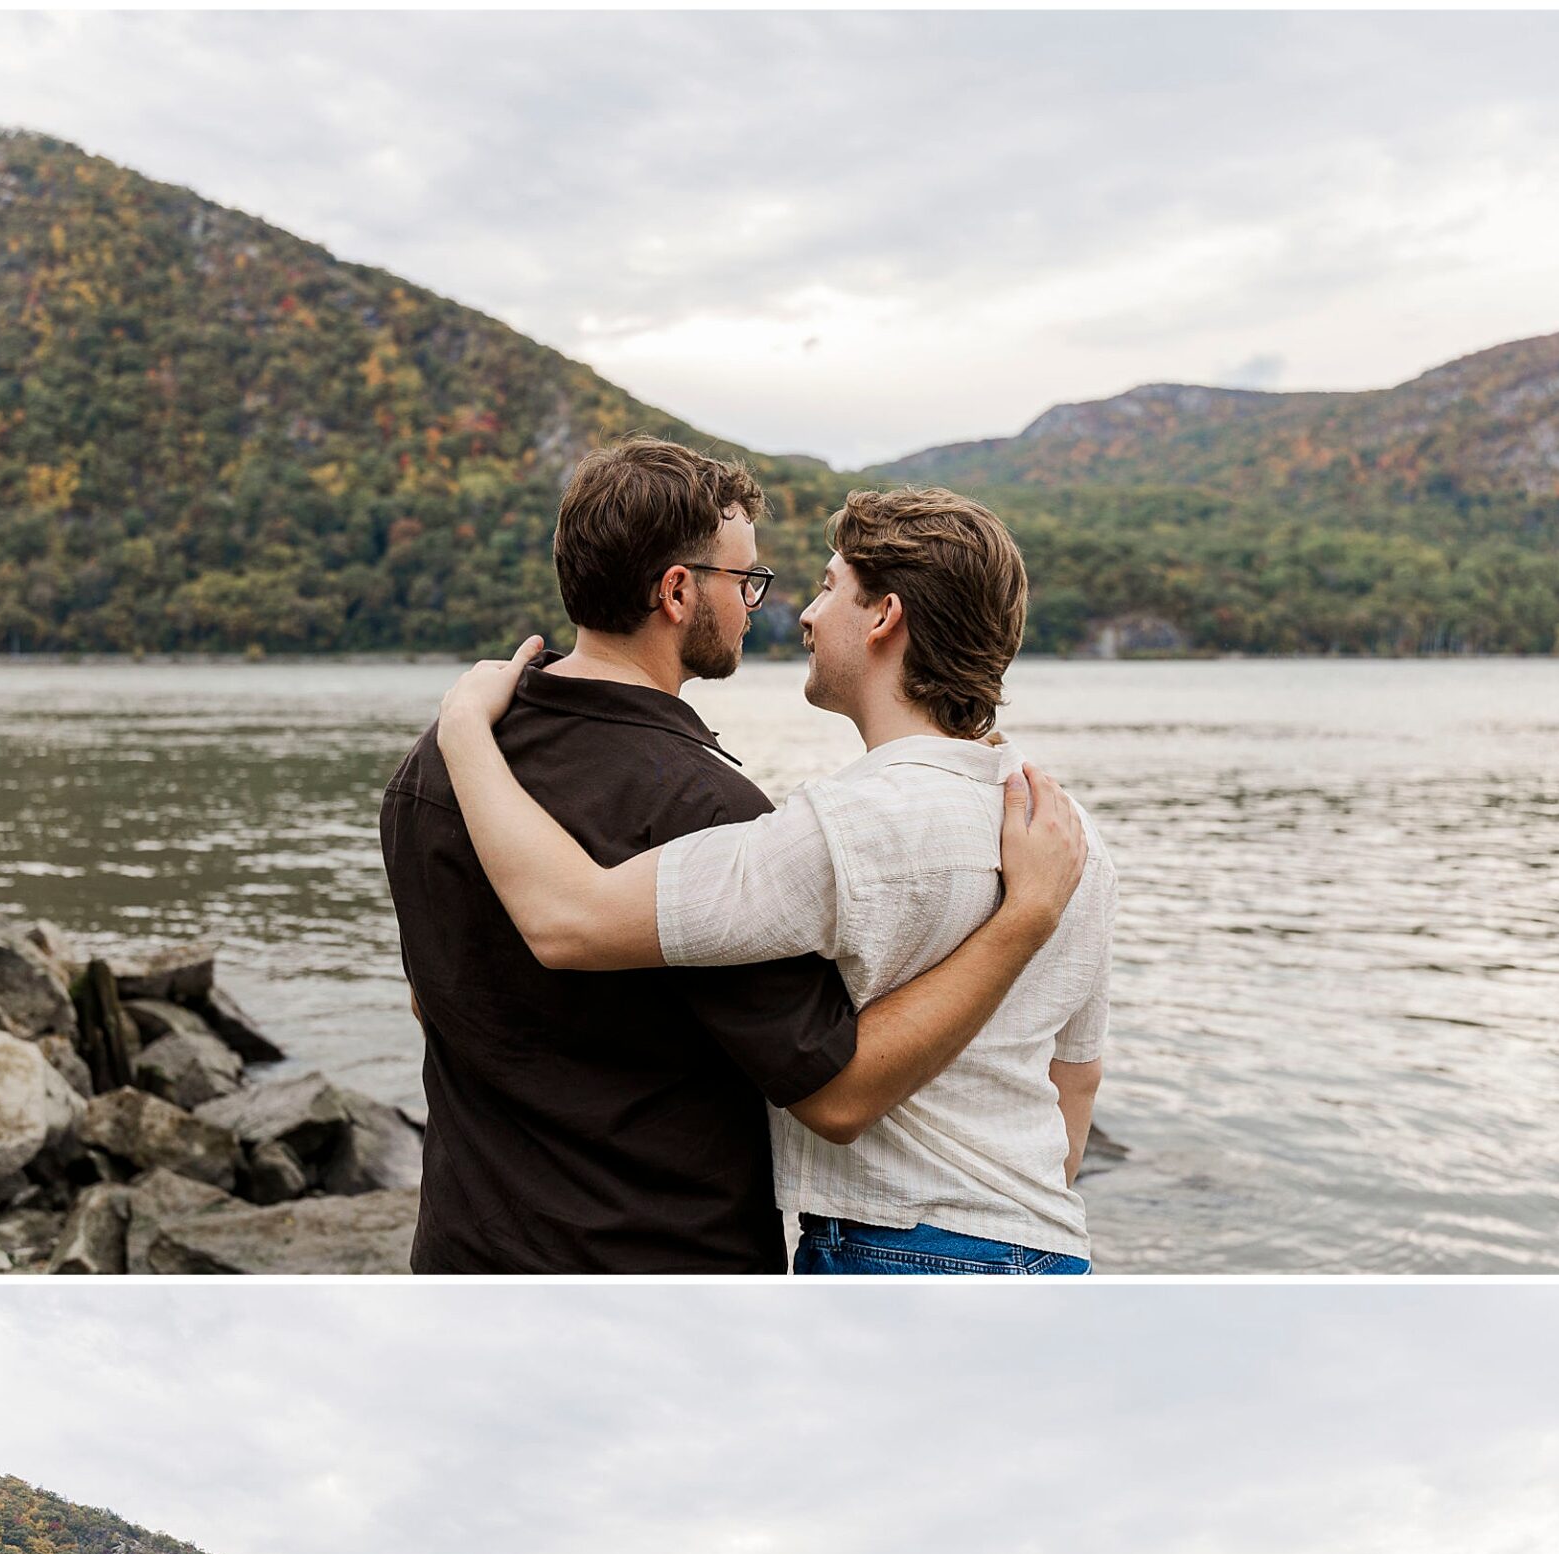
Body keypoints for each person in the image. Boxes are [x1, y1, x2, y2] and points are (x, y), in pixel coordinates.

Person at [381, 438, 1089, 1273]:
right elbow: (835, 1089)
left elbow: (436, 1001)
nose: (762, 605)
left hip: (463, 1255)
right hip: (662, 1268)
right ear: (678, 591)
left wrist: (462, 725)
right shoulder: (706, 811)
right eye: (745, 580)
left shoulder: (437, 764)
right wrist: (1024, 916)